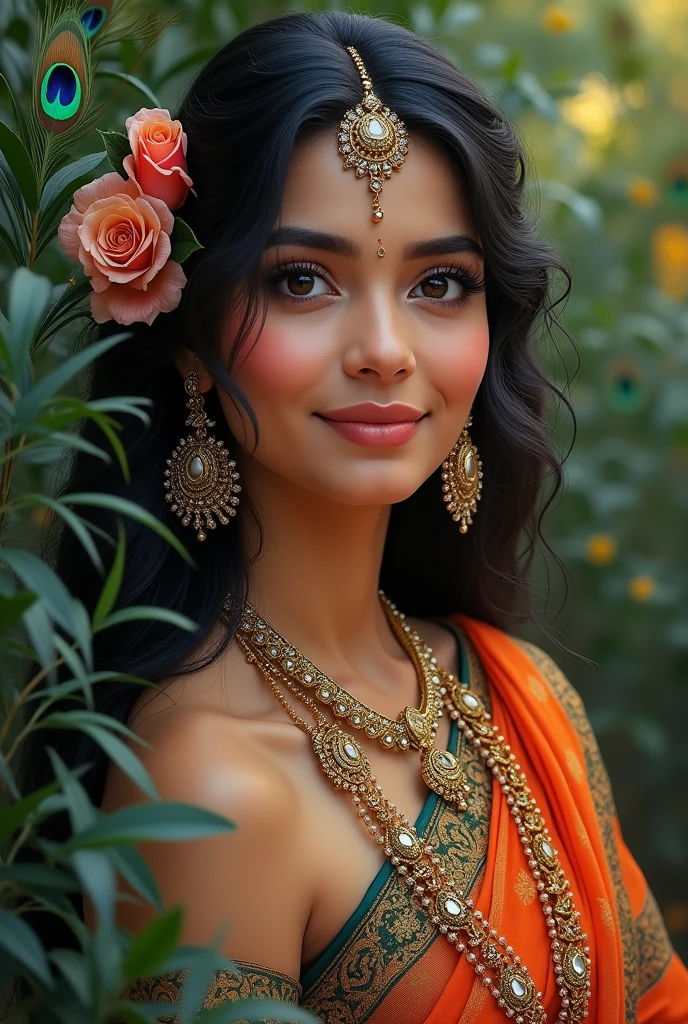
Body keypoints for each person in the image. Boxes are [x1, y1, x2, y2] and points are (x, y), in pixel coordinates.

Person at [33, 10, 688, 1023]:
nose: (385, 348)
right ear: (193, 334)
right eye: (302, 280)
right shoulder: (210, 786)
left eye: (439, 283)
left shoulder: (518, 695)